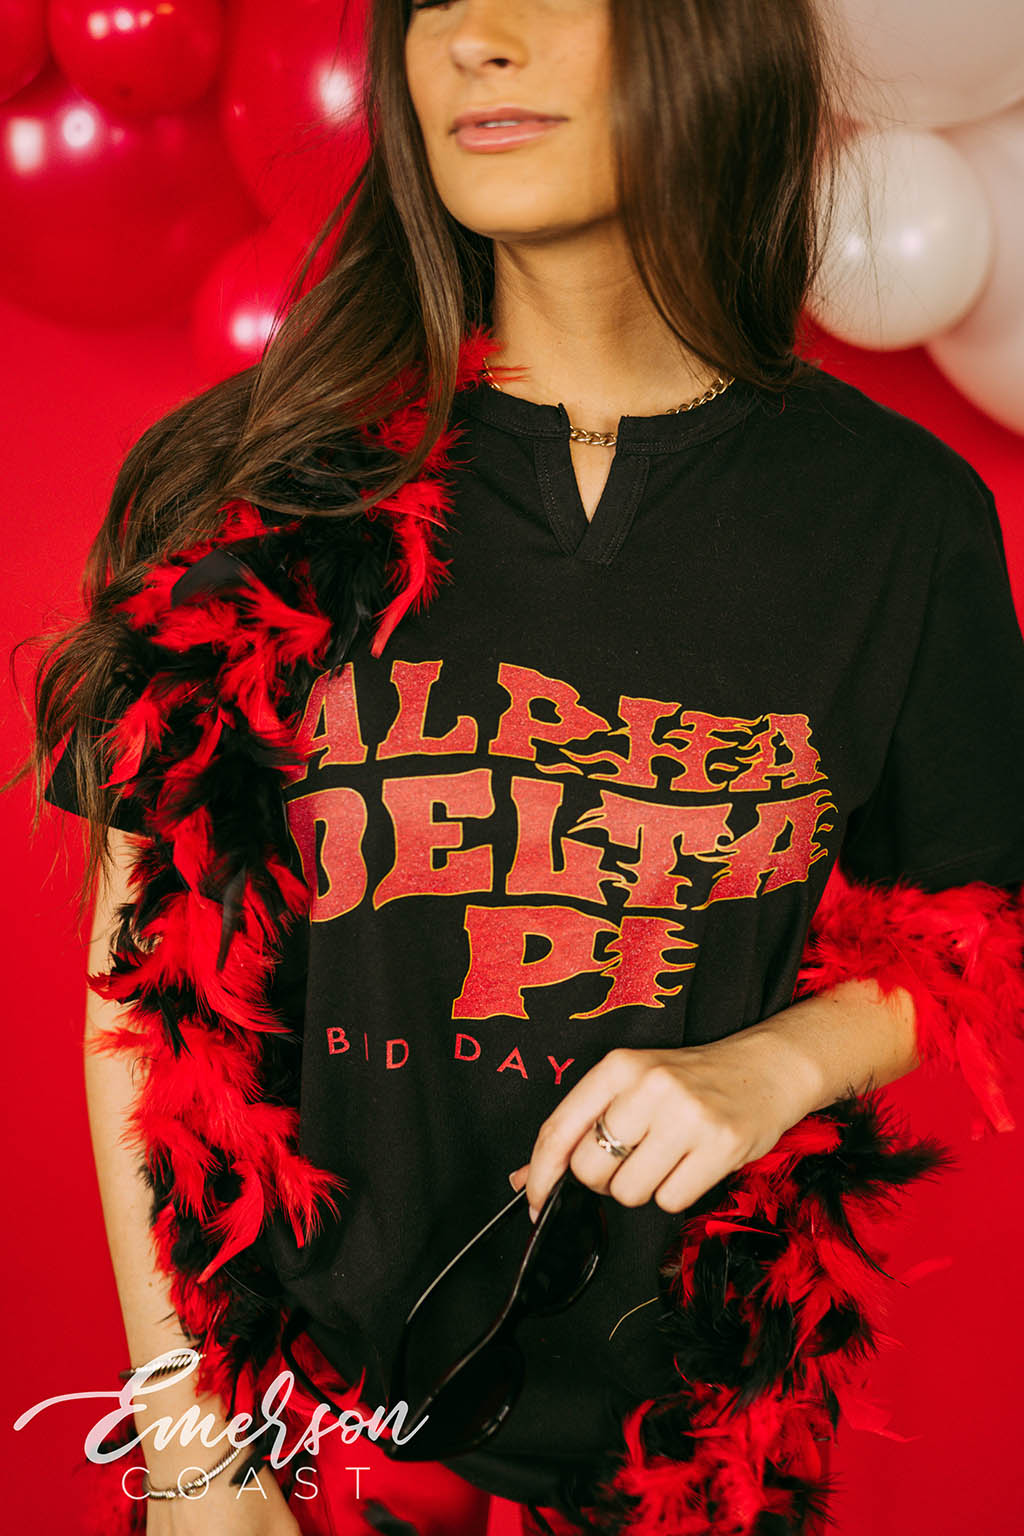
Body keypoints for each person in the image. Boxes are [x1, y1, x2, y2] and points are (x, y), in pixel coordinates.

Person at [21, 1, 1024, 1534]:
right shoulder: (245, 483)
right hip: (298, 1428)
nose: (474, 39)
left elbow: (978, 918)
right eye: (434, 1)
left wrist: (777, 1064)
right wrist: (195, 1456)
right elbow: (133, 986)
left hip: (687, 1442)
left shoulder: (898, 518)